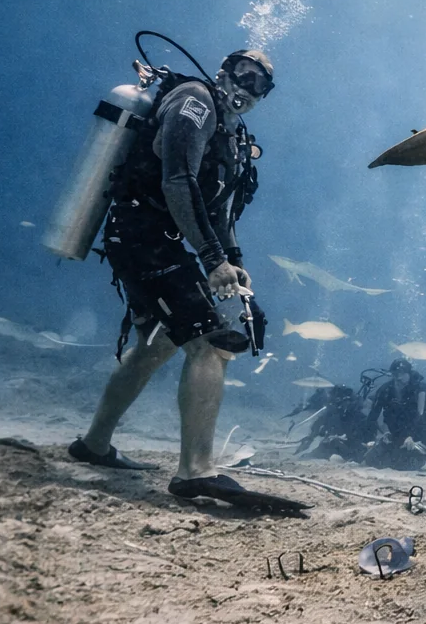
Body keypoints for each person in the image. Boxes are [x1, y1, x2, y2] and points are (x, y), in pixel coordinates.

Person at [68, 49, 305, 515]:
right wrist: (213, 259)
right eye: (244, 74)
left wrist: (232, 260)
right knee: (211, 344)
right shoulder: (195, 102)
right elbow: (178, 181)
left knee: (156, 346)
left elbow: (220, 209)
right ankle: (195, 471)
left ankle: (93, 445)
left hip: (160, 242)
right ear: (223, 71)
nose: (249, 88)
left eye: (262, 85)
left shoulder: (233, 133)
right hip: (142, 237)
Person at [364, 358, 426, 470]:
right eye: (395, 374)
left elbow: (422, 416)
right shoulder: (385, 390)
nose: (398, 378)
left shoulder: (421, 389)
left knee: (404, 465)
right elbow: (373, 416)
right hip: (395, 435)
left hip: (418, 437)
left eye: (402, 374)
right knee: (372, 460)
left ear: (408, 373)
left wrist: (412, 437)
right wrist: (379, 434)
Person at [289, 384, 375, 461]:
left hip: (356, 452)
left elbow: (367, 441)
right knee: (328, 444)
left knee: (331, 442)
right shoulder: (330, 416)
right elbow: (314, 433)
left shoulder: (360, 418)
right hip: (339, 448)